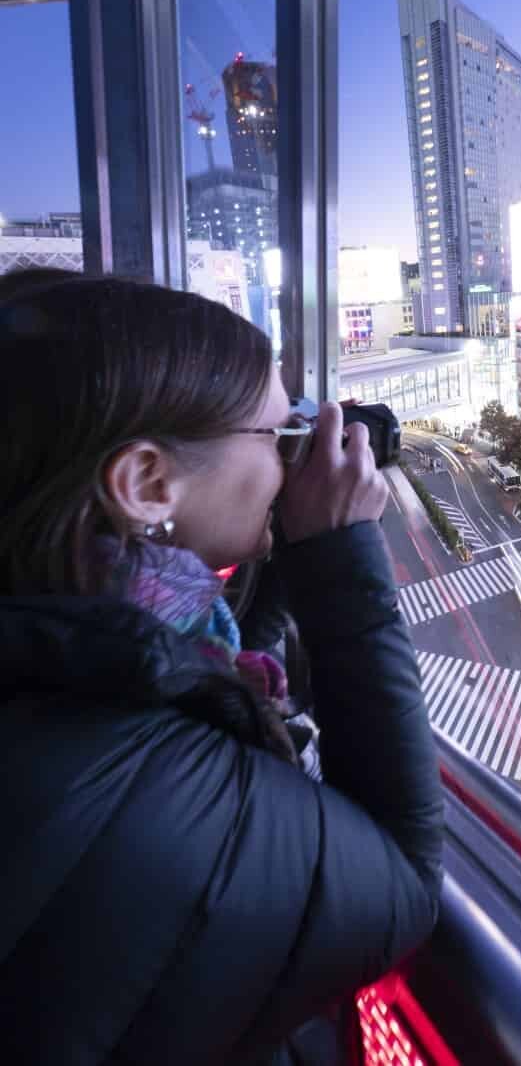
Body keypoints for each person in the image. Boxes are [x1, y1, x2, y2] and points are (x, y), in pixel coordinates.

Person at [0, 271, 444, 1064]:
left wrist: (281, 547)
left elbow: (197, 675)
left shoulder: (76, 626)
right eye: (277, 439)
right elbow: (402, 883)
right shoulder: (137, 763)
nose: (294, 461)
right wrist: (341, 562)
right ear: (144, 483)